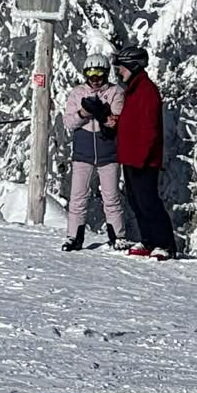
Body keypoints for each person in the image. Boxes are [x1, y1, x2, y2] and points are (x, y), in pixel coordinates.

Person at [111, 42, 176, 260]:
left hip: (143, 160)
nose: (119, 71)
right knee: (136, 202)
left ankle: (165, 244)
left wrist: (142, 156)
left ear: (133, 66)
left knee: (149, 202)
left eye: (122, 67)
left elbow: (150, 128)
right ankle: (148, 240)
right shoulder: (134, 90)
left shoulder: (147, 91)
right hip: (131, 157)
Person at [61, 51, 126, 252]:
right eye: (91, 74)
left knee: (111, 197)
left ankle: (118, 236)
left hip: (108, 153)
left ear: (106, 73)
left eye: (99, 74)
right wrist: (83, 113)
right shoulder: (77, 93)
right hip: (83, 153)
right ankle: (74, 236)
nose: (95, 79)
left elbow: (117, 121)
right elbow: (69, 122)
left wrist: (102, 112)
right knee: (78, 197)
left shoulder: (115, 92)